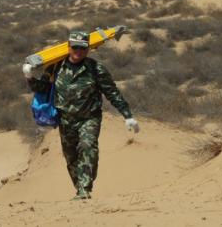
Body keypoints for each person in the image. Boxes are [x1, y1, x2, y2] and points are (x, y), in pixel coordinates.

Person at [22, 31, 140, 200]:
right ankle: (80, 189)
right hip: (65, 120)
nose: (78, 51)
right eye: (75, 47)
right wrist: (29, 77)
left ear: (88, 49)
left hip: (89, 118)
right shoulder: (56, 67)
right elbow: (42, 88)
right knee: (71, 158)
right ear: (69, 47)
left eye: (82, 48)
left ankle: (85, 190)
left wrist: (128, 116)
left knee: (87, 146)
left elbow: (112, 93)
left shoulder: (96, 69)